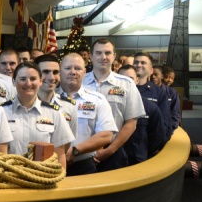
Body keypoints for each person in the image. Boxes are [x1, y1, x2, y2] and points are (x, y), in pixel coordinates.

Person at [83, 38, 143, 171]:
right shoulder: (79, 82)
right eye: (98, 53)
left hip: (113, 153)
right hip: (81, 153)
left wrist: (110, 150)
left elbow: (131, 123)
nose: (103, 57)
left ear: (114, 56)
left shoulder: (127, 84)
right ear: (91, 56)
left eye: (107, 53)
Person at [3, 62, 74, 168]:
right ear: (13, 81)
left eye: (33, 79)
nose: (28, 83)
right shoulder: (2, 112)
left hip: (43, 178)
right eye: (22, 79)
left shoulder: (54, 113)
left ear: (40, 81)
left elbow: (60, 155)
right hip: (9, 177)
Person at [59, 52, 117, 176]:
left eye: (78, 68)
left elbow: (106, 135)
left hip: (83, 166)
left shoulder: (97, 100)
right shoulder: (47, 99)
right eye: (68, 68)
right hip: (49, 164)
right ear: (60, 70)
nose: (73, 72)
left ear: (85, 72)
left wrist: (75, 151)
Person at [118, 64, 167, 164]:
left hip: (138, 160)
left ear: (137, 80)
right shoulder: (107, 106)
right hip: (113, 160)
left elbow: (158, 136)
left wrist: (142, 150)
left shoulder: (150, 107)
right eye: (122, 79)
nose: (126, 83)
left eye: (130, 78)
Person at [36, 53, 77, 153]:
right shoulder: (22, 104)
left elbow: (66, 144)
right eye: (45, 72)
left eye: (55, 72)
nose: (51, 77)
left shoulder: (69, 106)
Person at [159, 65, 182, 131]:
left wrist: (171, 128)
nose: (169, 80)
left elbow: (175, 114)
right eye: (167, 77)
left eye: (172, 78)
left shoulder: (172, 93)